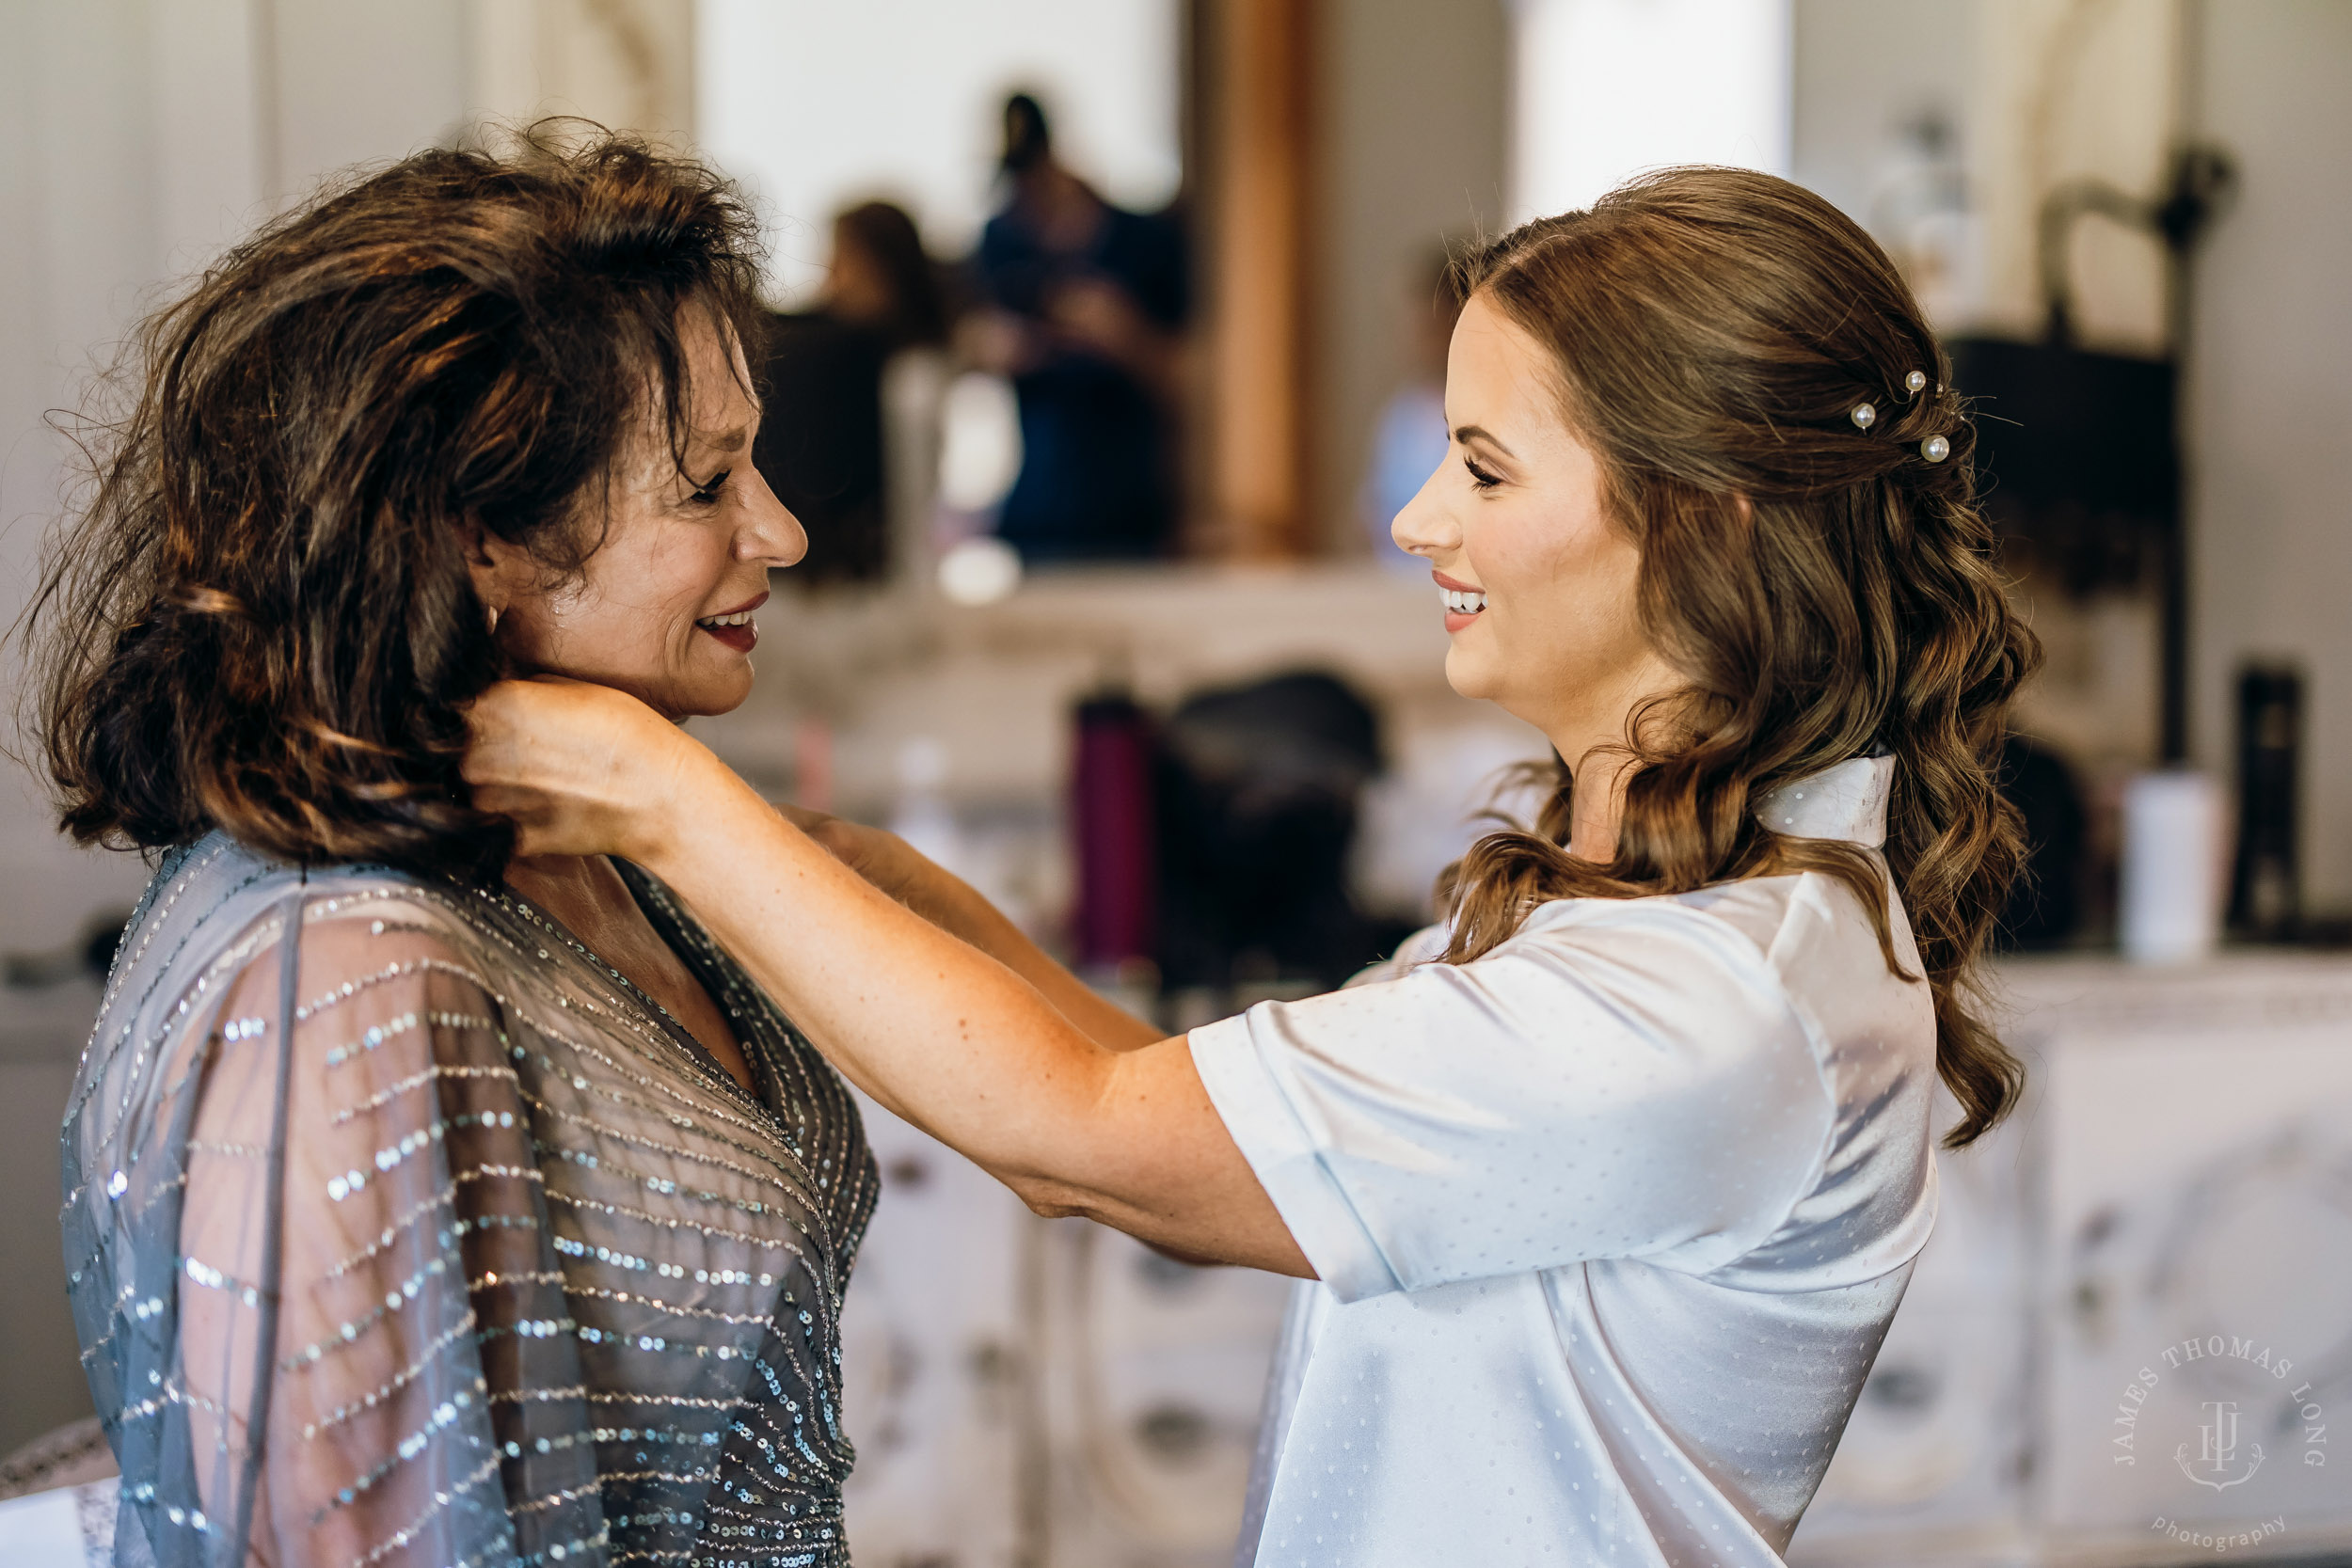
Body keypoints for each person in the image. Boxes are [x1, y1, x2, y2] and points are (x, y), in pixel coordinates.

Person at [465, 167, 2039, 1566]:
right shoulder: (1680, 925)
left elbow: (1085, 1140)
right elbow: (1151, 1086)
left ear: (1704, 521)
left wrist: (658, 793)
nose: (1423, 517)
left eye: (1484, 469)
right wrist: (837, 864)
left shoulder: (1702, 1006)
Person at [27, 131, 878, 1567]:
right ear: (481, 534)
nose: (780, 529)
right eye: (706, 485)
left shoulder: (585, 842)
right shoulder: (346, 971)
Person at [964, 91, 1188, 562]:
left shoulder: (1142, 243)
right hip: (1037, 506)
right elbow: (969, 343)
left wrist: (1125, 334)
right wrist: (989, 349)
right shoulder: (1000, 243)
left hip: (1130, 508)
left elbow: (1192, 377)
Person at [755, 200, 950, 584]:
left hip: (889, 565)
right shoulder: (830, 351)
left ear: (885, 268)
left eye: (843, 261)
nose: (832, 277)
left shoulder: (913, 374)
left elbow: (911, 497)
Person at [1358, 245, 1464, 570]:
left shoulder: (1488, 416)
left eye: (1430, 328)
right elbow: (1370, 514)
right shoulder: (1401, 414)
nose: (1416, 340)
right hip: (1397, 588)